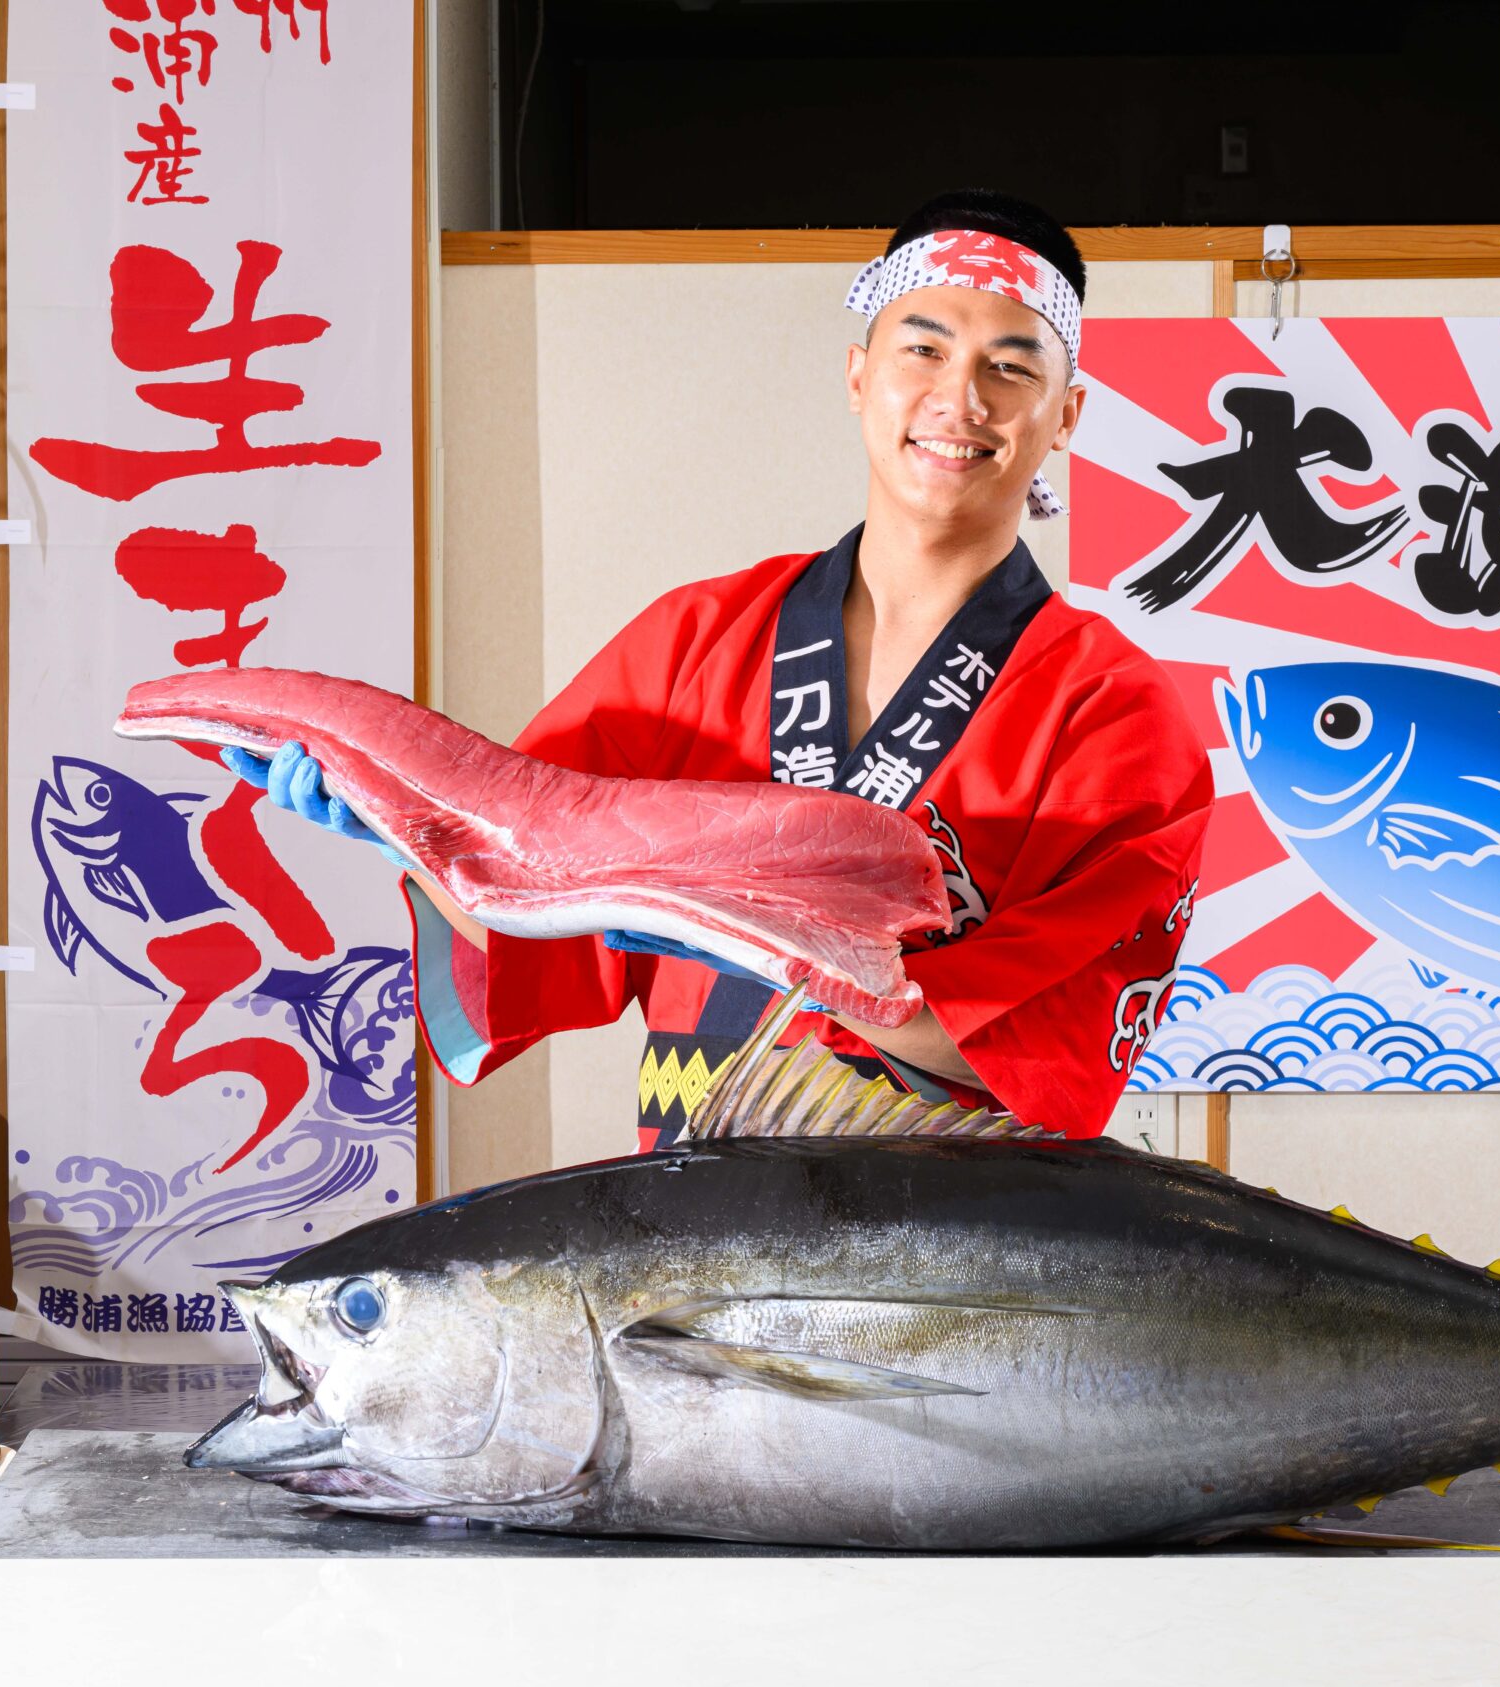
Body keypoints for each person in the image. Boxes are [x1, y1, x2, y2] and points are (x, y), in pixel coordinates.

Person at [232, 189, 1211, 1146]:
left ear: (1066, 413)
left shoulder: (1116, 715)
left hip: (949, 1249)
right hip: (699, 1206)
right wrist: (406, 828)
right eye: (922, 348)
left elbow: (1041, 1039)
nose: (959, 398)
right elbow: (531, 899)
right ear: (859, 374)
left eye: (1010, 366)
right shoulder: (692, 639)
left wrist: (756, 939)